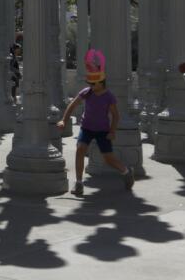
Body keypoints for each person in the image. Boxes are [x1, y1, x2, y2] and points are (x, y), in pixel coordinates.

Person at [57, 49, 135, 196]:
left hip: (102, 130)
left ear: (101, 82)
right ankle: (79, 183)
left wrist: (112, 131)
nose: (91, 86)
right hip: (86, 128)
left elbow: (115, 115)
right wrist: (63, 120)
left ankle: (126, 171)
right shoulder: (86, 92)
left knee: (108, 158)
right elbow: (72, 105)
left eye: (94, 83)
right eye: (90, 83)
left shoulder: (109, 97)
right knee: (80, 149)